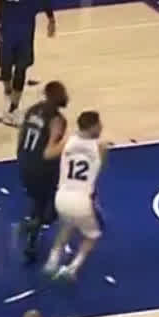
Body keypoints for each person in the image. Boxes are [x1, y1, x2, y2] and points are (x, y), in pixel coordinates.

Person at [44, 110, 109, 281]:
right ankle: (72, 268)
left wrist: (53, 136)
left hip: (61, 197)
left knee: (68, 224)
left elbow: (47, 154)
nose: (101, 127)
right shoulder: (101, 147)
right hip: (82, 200)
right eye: (99, 124)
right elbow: (99, 169)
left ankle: (52, 260)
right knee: (93, 235)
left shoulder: (68, 141)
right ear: (92, 127)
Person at [16, 81, 70, 261]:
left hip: (24, 161)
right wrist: (68, 143)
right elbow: (49, 152)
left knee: (38, 204)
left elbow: (21, 135)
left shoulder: (32, 110)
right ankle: (33, 225)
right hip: (42, 167)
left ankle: (31, 241)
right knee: (53, 209)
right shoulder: (57, 120)